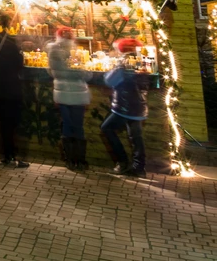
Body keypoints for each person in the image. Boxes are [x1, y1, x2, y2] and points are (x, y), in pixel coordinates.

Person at [0, 13, 29, 168]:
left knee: (3, 122)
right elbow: (19, 63)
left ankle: (7, 155)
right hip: (12, 86)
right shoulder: (12, 42)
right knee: (13, 122)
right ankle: (12, 155)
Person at [101, 37, 150, 176]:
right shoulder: (142, 61)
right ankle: (139, 167)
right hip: (139, 105)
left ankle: (122, 162)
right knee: (136, 136)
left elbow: (110, 80)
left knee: (107, 128)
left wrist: (111, 70)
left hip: (125, 106)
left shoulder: (124, 62)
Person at [47, 27, 91, 170]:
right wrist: (84, 72)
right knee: (78, 126)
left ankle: (70, 160)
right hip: (78, 93)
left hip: (62, 93)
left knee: (66, 125)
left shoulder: (52, 50)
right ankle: (81, 160)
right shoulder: (76, 51)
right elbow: (85, 74)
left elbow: (53, 72)